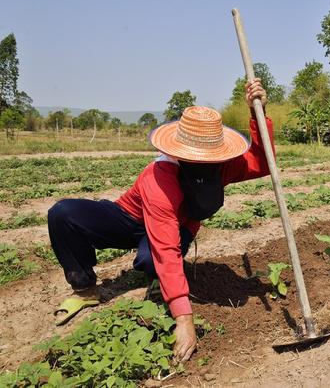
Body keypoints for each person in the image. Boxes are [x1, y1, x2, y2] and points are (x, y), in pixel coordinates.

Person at [47, 79, 272, 362]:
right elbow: (165, 248)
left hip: (178, 225)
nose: (205, 162)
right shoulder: (160, 178)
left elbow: (263, 163)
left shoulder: (223, 166)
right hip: (130, 217)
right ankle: (84, 288)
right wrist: (184, 318)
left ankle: (157, 281)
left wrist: (258, 114)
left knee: (149, 261)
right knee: (63, 215)